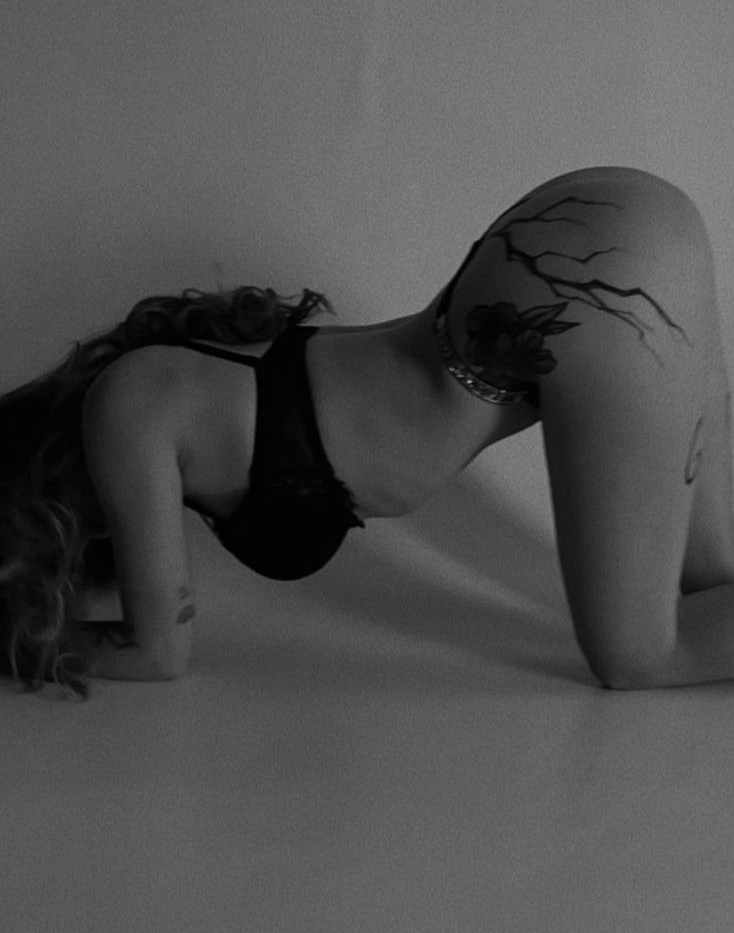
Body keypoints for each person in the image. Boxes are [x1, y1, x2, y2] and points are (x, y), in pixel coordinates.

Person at [1, 164, 732, 699]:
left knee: (639, 656)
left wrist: (17, 636)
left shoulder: (126, 408)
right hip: (608, 224)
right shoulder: (184, 380)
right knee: (711, 584)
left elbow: (158, 653)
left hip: (580, 289)